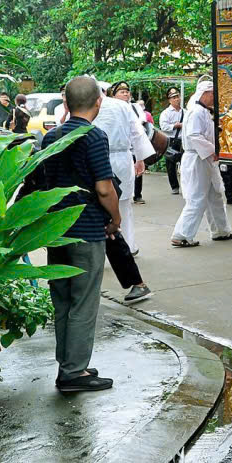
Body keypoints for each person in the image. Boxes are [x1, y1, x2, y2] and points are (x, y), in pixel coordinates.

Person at [40, 76, 120, 394]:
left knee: (62, 300)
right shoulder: (94, 136)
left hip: (56, 230)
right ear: (98, 102)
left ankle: (69, 364)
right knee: (84, 303)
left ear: (66, 104)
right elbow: (104, 188)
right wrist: (115, 218)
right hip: (87, 230)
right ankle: (73, 373)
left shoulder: (49, 139)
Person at [93, 83, 155, 269]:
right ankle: (127, 246)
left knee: (100, 205)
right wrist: (140, 158)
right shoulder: (122, 106)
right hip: (122, 158)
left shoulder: (89, 107)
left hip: (99, 157)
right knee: (124, 205)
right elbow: (137, 132)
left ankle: (100, 252)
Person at [170, 80, 232, 247]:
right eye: (213, 94)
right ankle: (181, 234)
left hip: (203, 158)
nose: (215, 98)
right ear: (205, 94)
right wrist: (212, 150)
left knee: (214, 195)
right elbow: (195, 136)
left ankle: (221, 230)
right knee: (197, 198)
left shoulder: (203, 111)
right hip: (197, 159)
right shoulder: (197, 112)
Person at [159, 88, 185, 194]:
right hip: (171, 140)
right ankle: (174, 187)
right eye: (174, 98)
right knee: (171, 164)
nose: (177, 99)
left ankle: (186, 186)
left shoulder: (185, 112)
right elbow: (163, 126)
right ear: (169, 100)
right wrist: (175, 125)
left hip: (183, 140)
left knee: (185, 163)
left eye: (177, 97)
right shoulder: (166, 113)